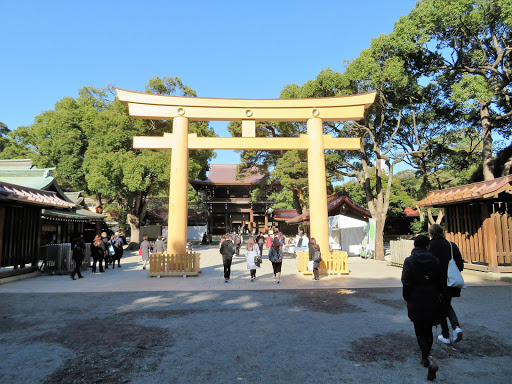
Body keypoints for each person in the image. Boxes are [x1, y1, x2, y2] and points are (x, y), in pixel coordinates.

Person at [401, 235, 443, 381]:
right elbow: (440, 280)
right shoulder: (435, 260)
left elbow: (406, 282)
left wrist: (407, 297)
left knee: (419, 329)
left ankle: (428, 358)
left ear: (414, 245)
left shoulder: (409, 261)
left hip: (416, 298)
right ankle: (426, 357)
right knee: (428, 328)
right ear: (427, 246)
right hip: (431, 298)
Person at [428, 224, 464, 344]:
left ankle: (446, 334)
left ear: (431, 233)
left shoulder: (430, 246)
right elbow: (460, 265)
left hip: (436, 281)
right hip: (450, 280)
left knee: (441, 306)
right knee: (446, 304)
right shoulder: (451, 245)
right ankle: (455, 328)